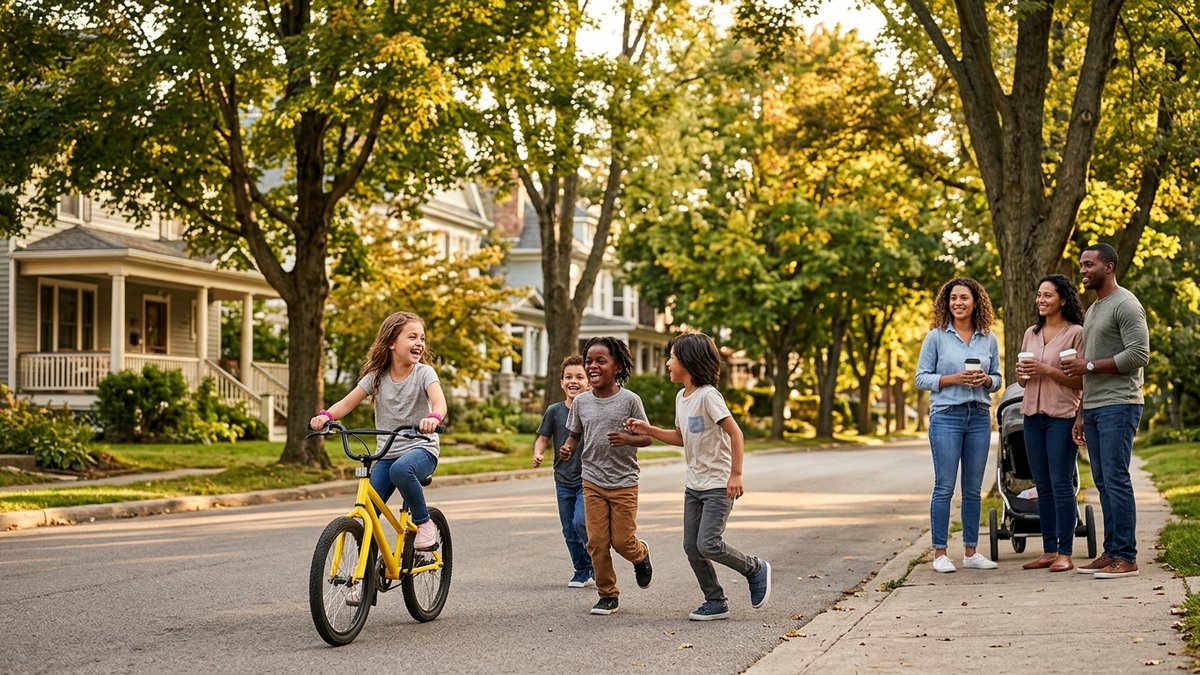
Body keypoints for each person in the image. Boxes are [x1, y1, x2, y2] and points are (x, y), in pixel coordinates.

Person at [626, 332, 771, 621]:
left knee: (708, 543)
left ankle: (754, 568)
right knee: (692, 546)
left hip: (718, 485)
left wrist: (736, 474)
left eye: (672, 357)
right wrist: (648, 430)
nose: (668, 363)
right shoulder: (682, 397)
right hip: (694, 485)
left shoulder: (708, 396)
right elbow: (682, 437)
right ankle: (715, 600)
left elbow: (735, 433)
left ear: (689, 362)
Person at [310, 311, 447, 550]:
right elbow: (346, 403)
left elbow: (439, 402)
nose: (420, 343)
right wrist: (326, 416)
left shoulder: (424, 373)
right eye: (412, 337)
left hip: (421, 448)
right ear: (392, 343)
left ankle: (423, 523)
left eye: (422, 338)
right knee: (369, 514)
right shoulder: (375, 378)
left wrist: (433, 418)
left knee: (401, 469)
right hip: (386, 452)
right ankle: (368, 570)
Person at [1063, 243, 1150, 579]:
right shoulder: (1096, 308)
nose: (1083, 271)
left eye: (1089, 265)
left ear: (1109, 267)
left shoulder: (1126, 304)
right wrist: (1082, 412)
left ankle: (1126, 557)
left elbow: (1139, 355)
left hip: (1120, 403)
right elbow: (1089, 370)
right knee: (1102, 480)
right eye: (1081, 265)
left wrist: (1087, 364)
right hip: (1097, 405)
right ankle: (1112, 551)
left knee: (1115, 479)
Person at [558, 336, 652, 616]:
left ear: (618, 365)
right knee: (596, 542)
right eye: (589, 361)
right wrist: (568, 447)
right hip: (592, 481)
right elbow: (575, 434)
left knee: (623, 541)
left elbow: (646, 438)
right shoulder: (582, 402)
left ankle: (641, 555)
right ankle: (607, 594)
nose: (592, 366)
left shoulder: (630, 401)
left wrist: (627, 439)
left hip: (624, 482)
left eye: (601, 360)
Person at [915, 277, 1002, 573]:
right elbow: (921, 378)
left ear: (976, 301)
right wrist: (952, 379)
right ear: (946, 303)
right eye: (953, 298)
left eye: (964, 298)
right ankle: (940, 553)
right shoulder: (936, 337)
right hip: (947, 416)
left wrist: (987, 380)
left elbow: (999, 379)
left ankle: (970, 552)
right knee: (944, 487)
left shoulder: (988, 338)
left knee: (973, 489)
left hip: (978, 416)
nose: (958, 303)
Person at [1015, 274, 1085, 573]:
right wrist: (1022, 373)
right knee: (1042, 486)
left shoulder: (1076, 334)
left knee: (1060, 485)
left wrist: (1045, 369)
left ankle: (1065, 553)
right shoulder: (1031, 332)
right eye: (1039, 295)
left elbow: (1080, 380)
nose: (1041, 300)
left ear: (1063, 299)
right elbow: (1021, 379)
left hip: (1061, 416)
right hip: (1031, 416)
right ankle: (1048, 550)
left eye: (1048, 295)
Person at [532, 355, 594, 588]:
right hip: (563, 479)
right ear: (561, 382)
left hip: (588, 479)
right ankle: (581, 570)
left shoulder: (591, 409)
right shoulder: (554, 411)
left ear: (589, 383)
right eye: (568, 377)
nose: (573, 381)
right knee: (569, 529)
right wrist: (538, 453)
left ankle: (595, 563)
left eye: (580, 377)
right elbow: (543, 438)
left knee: (581, 522)